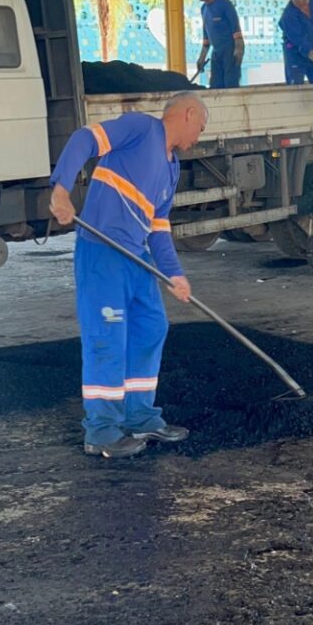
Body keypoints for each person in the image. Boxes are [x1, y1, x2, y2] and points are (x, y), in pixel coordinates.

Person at [49, 94, 208, 458]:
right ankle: (102, 431)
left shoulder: (172, 168)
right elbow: (85, 138)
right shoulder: (140, 128)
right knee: (107, 337)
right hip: (103, 253)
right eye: (200, 127)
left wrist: (174, 274)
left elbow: (159, 226)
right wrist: (61, 189)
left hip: (137, 257)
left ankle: (140, 417)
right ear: (188, 114)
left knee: (151, 327)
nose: (198, 137)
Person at [193, 0, 244, 88]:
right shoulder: (204, 8)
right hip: (216, 51)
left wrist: (239, 48)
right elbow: (206, 35)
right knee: (215, 85)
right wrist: (202, 56)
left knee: (230, 83)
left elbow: (235, 26)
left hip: (230, 50)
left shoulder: (224, 4)